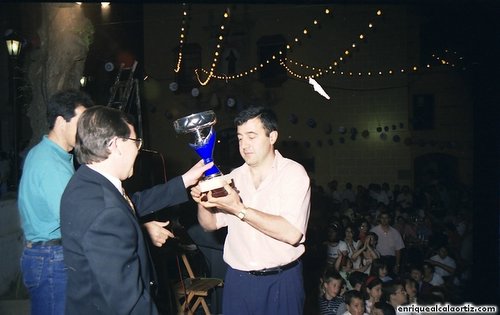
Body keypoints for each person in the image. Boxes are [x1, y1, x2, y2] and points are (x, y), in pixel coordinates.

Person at [59, 106, 212, 315]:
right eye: (135, 141)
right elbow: (128, 303)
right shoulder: (106, 213)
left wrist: (184, 181)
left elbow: (131, 203)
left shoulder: (85, 182)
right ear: (115, 145)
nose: (138, 149)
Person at [190, 106, 311, 315]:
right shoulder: (232, 178)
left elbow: (292, 234)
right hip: (239, 281)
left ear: (272, 137)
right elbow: (210, 224)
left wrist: (239, 209)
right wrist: (202, 200)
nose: (244, 145)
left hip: (282, 280)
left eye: (251, 136)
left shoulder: (293, 174)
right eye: (240, 138)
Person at [18, 89, 94, 315]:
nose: (86, 130)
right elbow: (75, 219)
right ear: (62, 121)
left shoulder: (55, 156)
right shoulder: (49, 162)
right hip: (52, 259)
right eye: (82, 123)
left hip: (50, 255)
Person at [370, 211, 405, 276]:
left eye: (386, 218)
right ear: (379, 219)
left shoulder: (395, 232)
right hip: (379, 259)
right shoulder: (374, 230)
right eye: (382, 218)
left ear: (389, 219)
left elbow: (398, 250)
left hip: (391, 260)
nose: (384, 220)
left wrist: (397, 265)